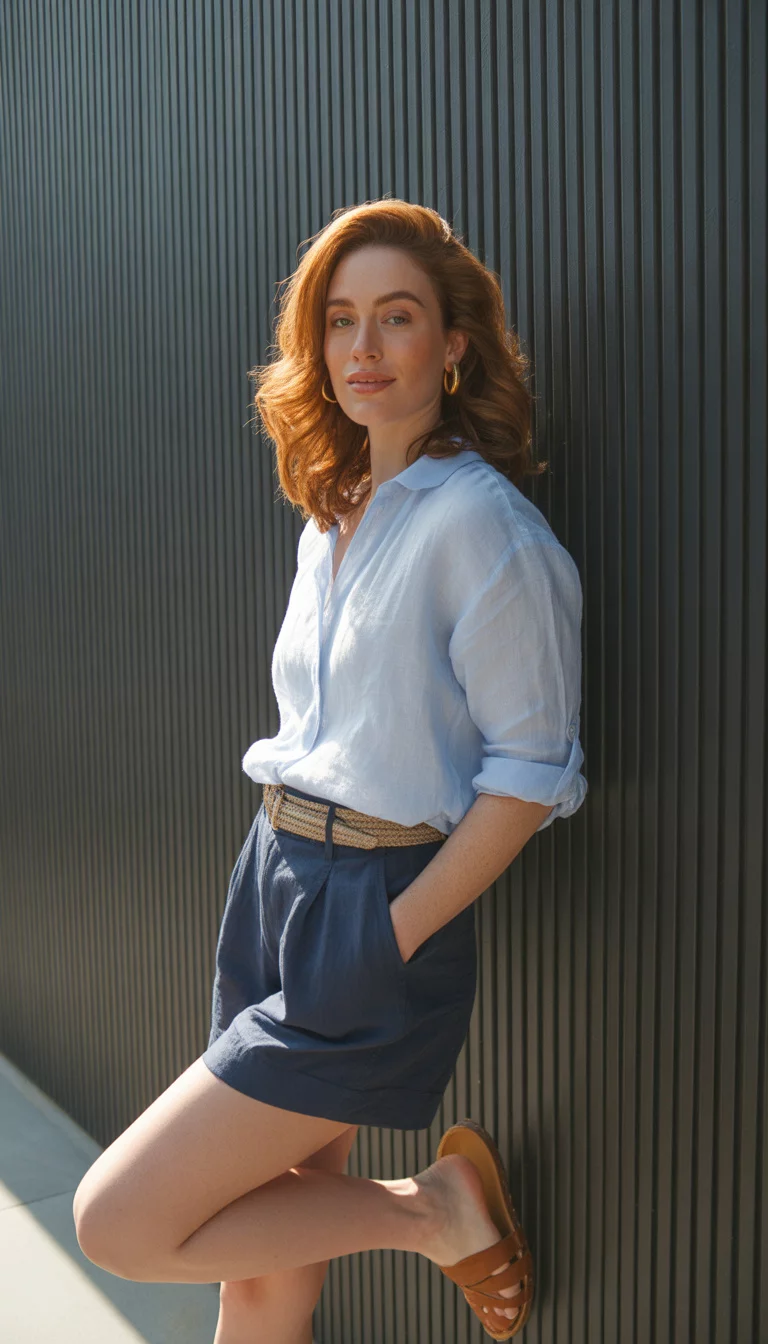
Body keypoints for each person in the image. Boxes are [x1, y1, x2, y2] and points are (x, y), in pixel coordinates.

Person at [72, 199, 587, 1343]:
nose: (362, 349)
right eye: (340, 321)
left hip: (374, 903)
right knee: (258, 1271)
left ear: (453, 344)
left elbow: (530, 779)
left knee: (119, 1221)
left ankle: (434, 1212)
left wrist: (386, 936)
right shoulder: (336, 508)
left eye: (395, 319)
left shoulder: (485, 530)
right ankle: (430, 1212)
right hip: (277, 880)